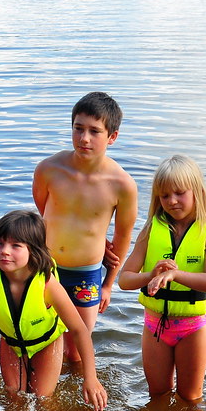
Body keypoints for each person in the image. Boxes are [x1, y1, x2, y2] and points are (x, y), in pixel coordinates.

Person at [0, 210, 108, 410]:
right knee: (14, 400)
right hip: (12, 344)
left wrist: (91, 378)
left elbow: (79, 330)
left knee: (43, 402)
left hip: (46, 343)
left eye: (16, 246)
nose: (4, 251)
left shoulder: (48, 285)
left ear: (33, 250)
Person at [32, 91, 138, 362]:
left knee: (78, 352)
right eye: (78, 129)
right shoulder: (49, 169)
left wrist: (108, 285)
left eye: (94, 131)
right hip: (48, 268)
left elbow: (122, 239)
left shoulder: (122, 185)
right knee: (40, 342)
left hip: (87, 274)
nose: (84, 138)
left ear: (112, 137)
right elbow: (44, 212)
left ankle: (80, 400)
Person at [118, 155, 206, 402]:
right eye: (165, 196)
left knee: (190, 397)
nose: (172, 201)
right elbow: (125, 280)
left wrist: (175, 274)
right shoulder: (150, 230)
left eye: (179, 193)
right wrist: (150, 274)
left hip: (192, 327)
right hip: (155, 326)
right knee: (157, 394)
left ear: (196, 191)